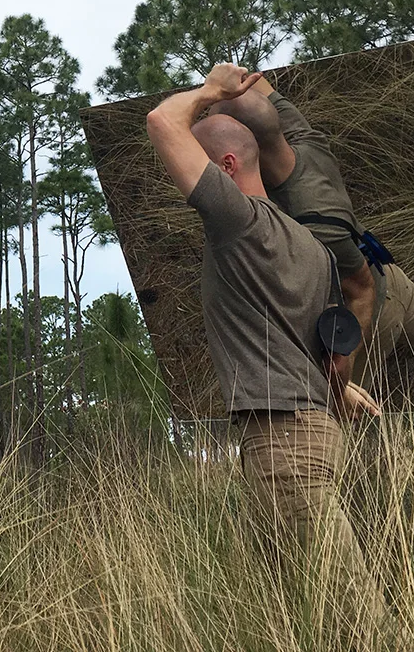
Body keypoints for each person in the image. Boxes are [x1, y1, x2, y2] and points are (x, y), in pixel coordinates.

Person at [145, 62, 383, 629]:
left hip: (284, 445)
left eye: (204, 167)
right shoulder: (312, 247)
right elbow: (327, 343)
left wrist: (208, 93)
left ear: (225, 167)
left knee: (353, 614)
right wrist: (341, 390)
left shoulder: (239, 223)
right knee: (303, 611)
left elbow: (160, 121)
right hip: (315, 430)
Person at [211, 76, 414, 407]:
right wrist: (225, 83)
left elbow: (362, 292)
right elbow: (262, 88)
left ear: (244, 146)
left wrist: (341, 371)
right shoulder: (303, 138)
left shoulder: (309, 215)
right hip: (385, 271)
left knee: (334, 409)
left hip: (367, 304)